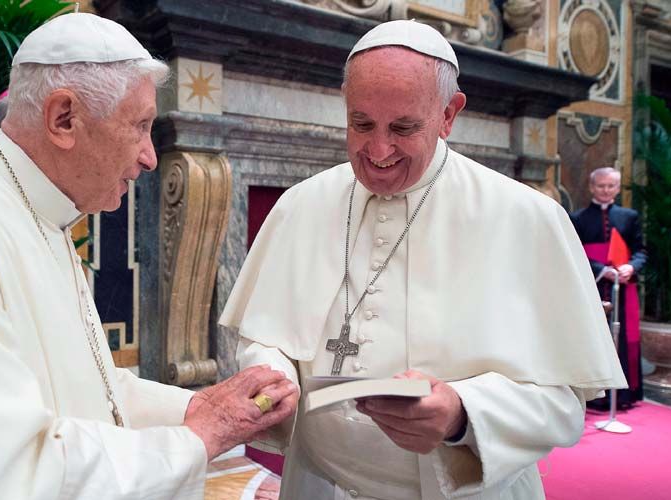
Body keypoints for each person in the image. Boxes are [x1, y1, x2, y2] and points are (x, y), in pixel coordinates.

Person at [0, 13, 297, 500]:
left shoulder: (45, 216)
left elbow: (94, 391)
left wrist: (201, 406)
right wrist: (206, 432)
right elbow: (6, 474)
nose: (149, 156)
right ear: (64, 119)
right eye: (139, 127)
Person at [220, 20, 626, 500]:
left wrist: (461, 413)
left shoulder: (526, 218)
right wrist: (275, 376)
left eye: (403, 128)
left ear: (449, 114)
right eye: (361, 123)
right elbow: (267, 337)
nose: (378, 150)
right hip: (318, 485)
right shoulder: (301, 205)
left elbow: (564, 406)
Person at [570, 167, 647, 408]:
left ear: (617, 187)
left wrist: (631, 268)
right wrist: (602, 270)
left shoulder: (629, 216)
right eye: (601, 186)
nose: (605, 190)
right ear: (592, 187)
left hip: (623, 288)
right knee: (593, 337)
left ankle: (623, 396)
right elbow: (574, 252)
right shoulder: (577, 218)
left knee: (623, 339)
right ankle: (595, 397)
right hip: (592, 286)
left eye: (611, 186)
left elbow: (641, 251)